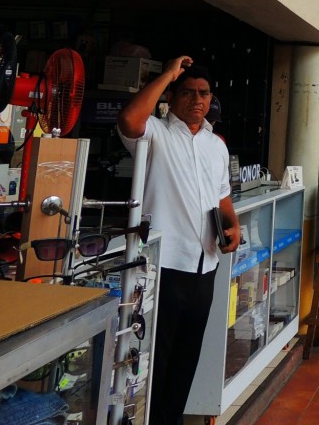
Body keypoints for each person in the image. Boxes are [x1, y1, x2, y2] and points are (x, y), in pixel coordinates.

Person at [117, 56, 240, 425]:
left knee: (188, 357)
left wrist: (233, 228)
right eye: (187, 92)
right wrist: (168, 73)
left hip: (205, 265)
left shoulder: (215, 144)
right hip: (164, 265)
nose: (197, 100)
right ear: (172, 96)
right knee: (157, 356)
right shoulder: (154, 132)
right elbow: (129, 120)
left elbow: (222, 198)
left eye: (203, 93)